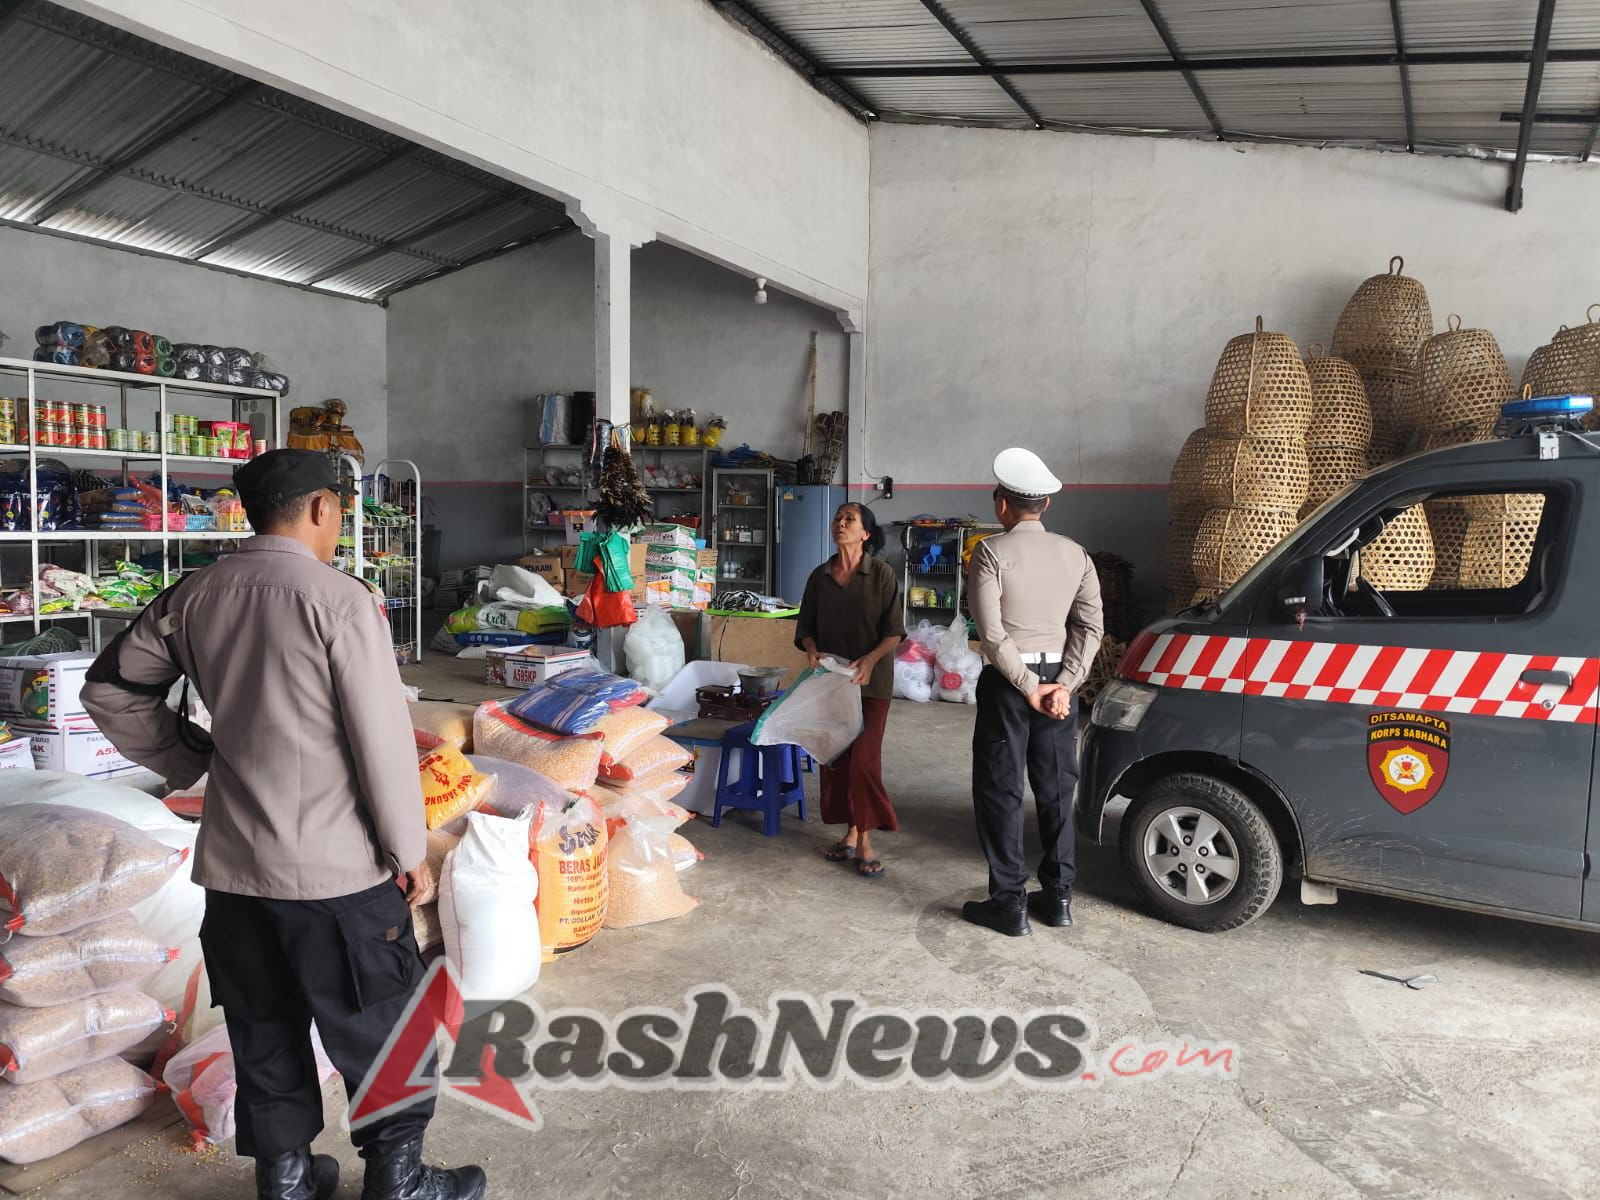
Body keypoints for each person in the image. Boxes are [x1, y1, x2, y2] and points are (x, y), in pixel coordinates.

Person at [81, 450, 486, 1200]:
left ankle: (288, 1179)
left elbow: (110, 691)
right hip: (338, 873)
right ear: (322, 509)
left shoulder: (192, 595)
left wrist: (190, 758)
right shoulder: (341, 600)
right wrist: (407, 852)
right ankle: (398, 1181)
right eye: (339, 512)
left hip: (235, 872)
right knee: (380, 1027)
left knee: (263, 1028)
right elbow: (381, 741)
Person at [962, 448, 1104, 938]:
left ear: (1002, 504)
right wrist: (1064, 685)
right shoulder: (1075, 554)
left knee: (1001, 789)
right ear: (1046, 505)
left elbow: (991, 633)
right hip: (1060, 686)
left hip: (1010, 685)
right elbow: (1090, 627)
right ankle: (1058, 898)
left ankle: (1009, 903)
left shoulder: (990, 553)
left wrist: (1028, 687)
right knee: (1057, 789)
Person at [794, 502, 905, 878]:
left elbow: (894, 632)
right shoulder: (820, 576)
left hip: (871, 684)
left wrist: (869, 661)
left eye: (849, 520)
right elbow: (806, 627)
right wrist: (811, 650)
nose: (840, 524)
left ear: (866, 533)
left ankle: (865, 841)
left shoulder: (881, 575)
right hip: (831, 683)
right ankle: (851, 834)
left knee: (864, 761)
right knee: (839, 760)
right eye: (837, 518)